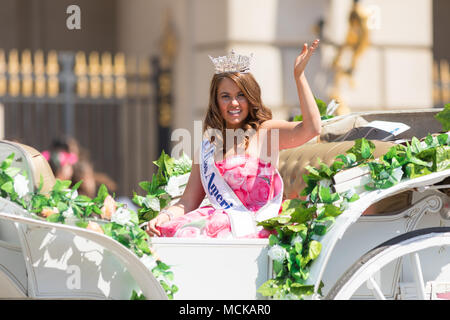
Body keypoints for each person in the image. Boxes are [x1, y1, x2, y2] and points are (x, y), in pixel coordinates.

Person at [146, 40, 322, 239]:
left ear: (251, 97)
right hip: (219, 222)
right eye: (225, 96)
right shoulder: (208, 146)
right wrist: (165, 216)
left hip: (258, 224)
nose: (234, 103)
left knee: (194, 233)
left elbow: (312, 128)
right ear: (216, 101)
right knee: (170, 231)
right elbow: (187, 201)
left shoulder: (264, 132)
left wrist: (299, 77)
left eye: (241, 95)